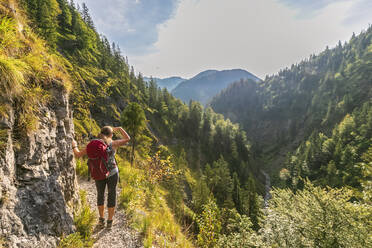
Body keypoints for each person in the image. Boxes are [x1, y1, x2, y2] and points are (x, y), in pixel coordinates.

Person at [72, 126, 130, 229]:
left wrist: (74, 145)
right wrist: (120, 128)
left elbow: (77, 154)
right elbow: (127, 139)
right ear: (111, 135)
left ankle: (101, 220)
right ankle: (109, 222)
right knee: (112, 195)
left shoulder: (94, 144)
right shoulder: (113, 144)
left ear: (100, 133)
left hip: (98, 173)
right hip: (112, 173)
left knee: (100, 195)